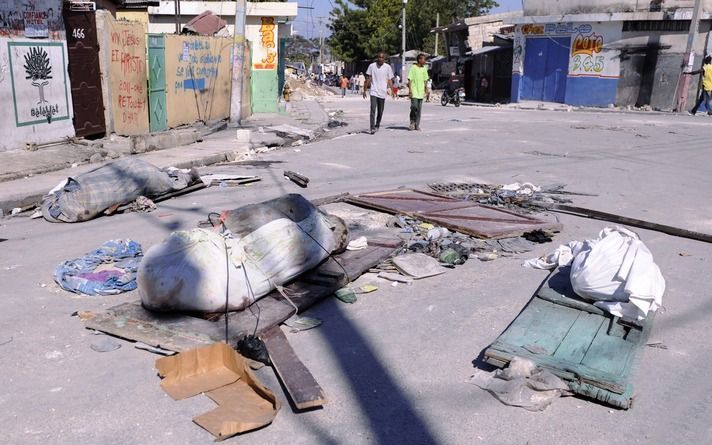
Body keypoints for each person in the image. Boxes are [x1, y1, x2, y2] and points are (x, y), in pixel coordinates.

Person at [364, 52, 394, 134]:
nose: (381, 59)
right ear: (377, 58)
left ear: (384, 59)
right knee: (373, 109)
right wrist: (364, 90)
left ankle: (377, 124)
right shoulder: (372, 66)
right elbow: (368, 78)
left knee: (380, 111)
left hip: (382, 92)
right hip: (373, 91)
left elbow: (389, 80)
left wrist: (393, 91)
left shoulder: (387, 67)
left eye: (382, 57)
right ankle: (372, 127)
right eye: (379, 57)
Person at [407, 54, 429, 131]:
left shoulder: (424, 69)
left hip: (421, 92)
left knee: (419, 109)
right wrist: (410, 90)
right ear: (419, 60)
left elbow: (425, 80)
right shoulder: (413, 68)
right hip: (414, 91)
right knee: (414, 107)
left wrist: (426, 89)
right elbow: (410, 79)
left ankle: (417, 125)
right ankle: (412, 122)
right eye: (423, 59)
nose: (424, 61)